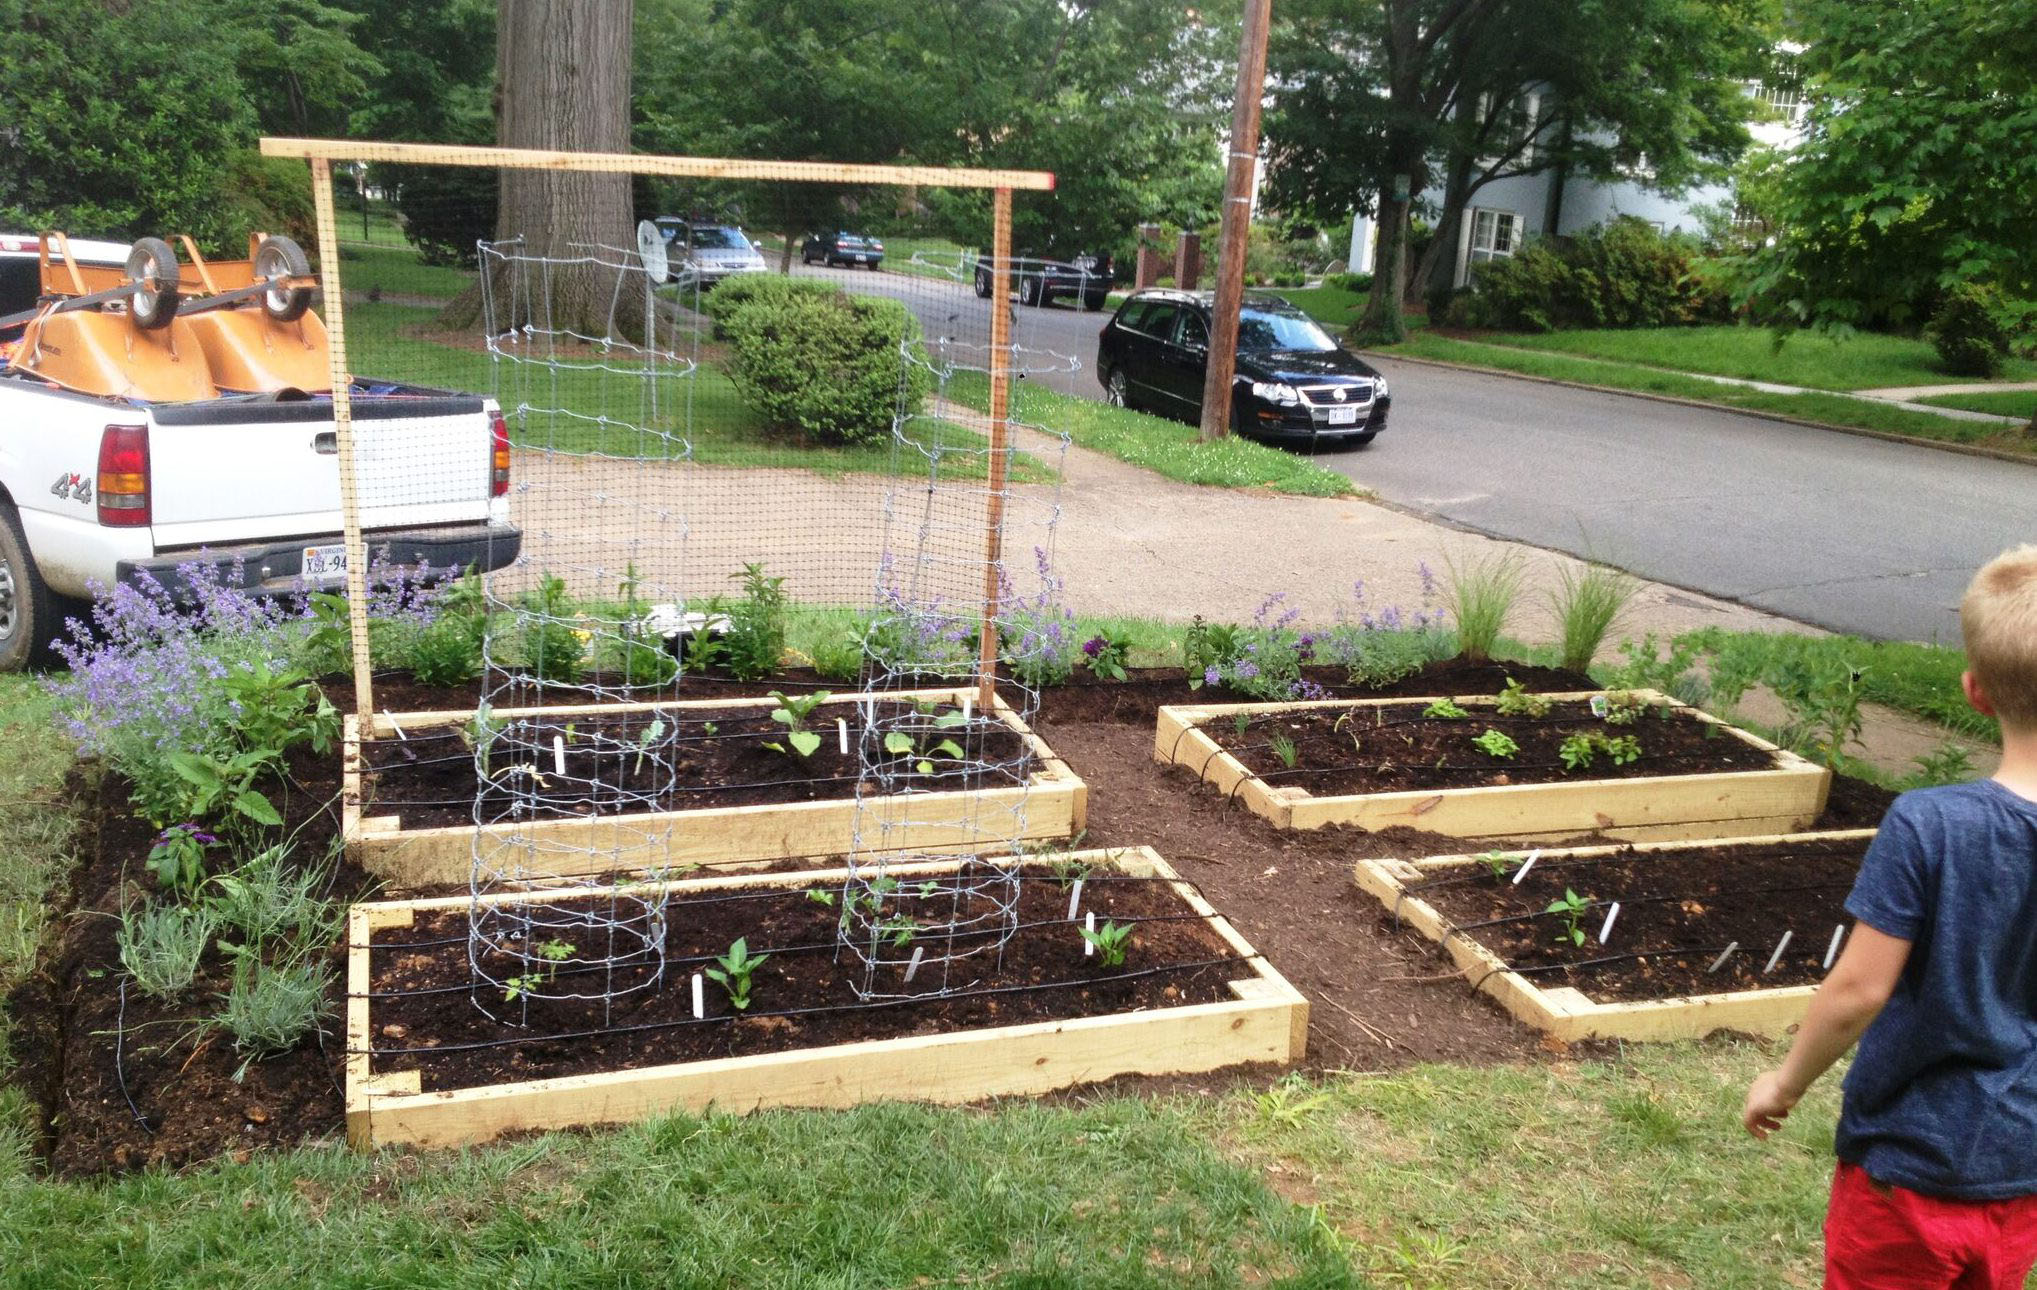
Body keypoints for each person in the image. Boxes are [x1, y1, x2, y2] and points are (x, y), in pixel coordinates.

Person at [1743, 543, 2037, 1288]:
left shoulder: (1928, 825)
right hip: (2019, 1173)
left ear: (1973, 691)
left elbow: (1857, 992)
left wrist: (1784, 1084)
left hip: (1905, 1168)